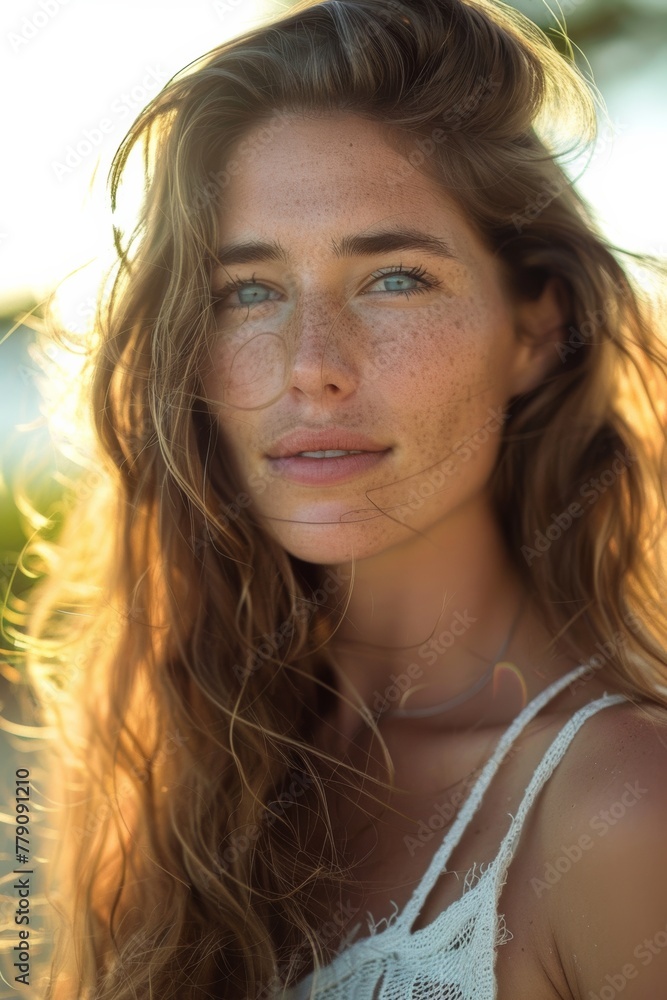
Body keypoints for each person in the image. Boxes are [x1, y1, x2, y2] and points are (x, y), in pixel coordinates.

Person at [14, 0, 667, 997]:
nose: (310, 366)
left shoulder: (623, 809)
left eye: (394, 278)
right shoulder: (187, 767)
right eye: (248, 291)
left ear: (536, 328)